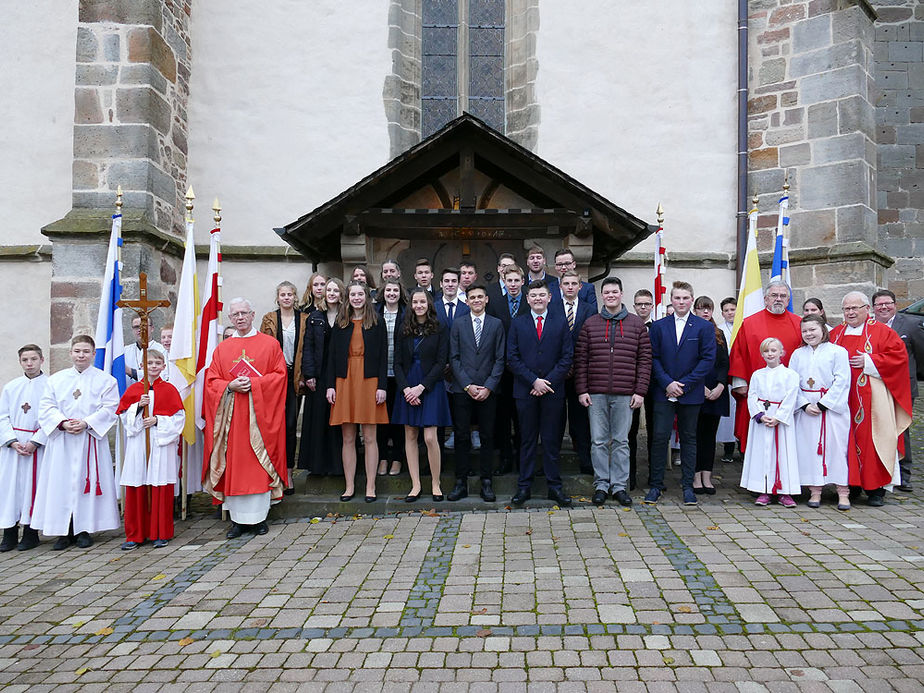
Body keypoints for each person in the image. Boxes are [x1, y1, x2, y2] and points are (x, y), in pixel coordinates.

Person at [203, 298, 288, 538]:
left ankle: (260, 519)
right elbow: (211, 382)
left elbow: (280, 377)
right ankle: (238, 521)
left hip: (259, 418)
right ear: (230, 319)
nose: (240, 317)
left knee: (258, 465)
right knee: (235, 466)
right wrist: (229, 385)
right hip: (232, 418)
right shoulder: (222, 349)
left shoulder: (270, 345)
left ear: (252, 315)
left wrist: (254, 383)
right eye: (235, 314)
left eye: (244, 313)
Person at [33, 335, 120, 550]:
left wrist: (87, 423)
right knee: (60, 484)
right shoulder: (56, 380)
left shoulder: (106, 380)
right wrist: (62, 423)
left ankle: (84, 530)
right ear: (70, 353)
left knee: (84, 484)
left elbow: (110, 408)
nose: (81, 355)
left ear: (93, 354)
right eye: (77, 351)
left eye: (86, 351)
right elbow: (45, 407)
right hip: (62, 441)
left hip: (88, 440)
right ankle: (63, 532)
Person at [829, 291, 912, 506]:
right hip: (843, 399)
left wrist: (869, 361)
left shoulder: (882, 332)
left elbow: (899, 358)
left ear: (867, 309)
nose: (851, 312)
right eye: (847, 308)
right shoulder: (835, 334)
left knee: (873, 441)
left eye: (855, 308)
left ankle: (876, 490)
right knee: (844, 441)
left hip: (873, 400)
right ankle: (851, 485)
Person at [574, 277, 651, 506]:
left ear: (621, 294)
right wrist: (582, 390)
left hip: (625, 394)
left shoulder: (637, 325)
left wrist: (640, 391)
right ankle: (601, 485)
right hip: (595, 393)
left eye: (614, 292)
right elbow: (581, 360)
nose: (610, 295)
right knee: (598, 441)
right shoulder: (591, 324)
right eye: (606, 292)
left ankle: (619, 486)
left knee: (621, 441)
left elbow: (645, 361)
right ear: (602, 295)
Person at [645, 281, 717, 506]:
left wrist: (684, 384)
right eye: (677, 298)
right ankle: (656, 485)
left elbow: (707, 360)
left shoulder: (703, 328)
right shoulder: (658, 326)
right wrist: (667, 383)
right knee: (659, 438)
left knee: (689, 439)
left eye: (686, 298)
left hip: (691, 392)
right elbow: (653, 357)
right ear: (672, 300)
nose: (681, 302)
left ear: (692, 299)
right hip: (663, 391)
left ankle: (688, 486)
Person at [507, 279, 573, 507]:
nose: (537, 299)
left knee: (551, 440)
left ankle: (554, 487)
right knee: (526, 440)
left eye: (541, 295)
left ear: (549, 297)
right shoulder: (518, 323)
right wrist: (534, 381)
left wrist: (547, 382)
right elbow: (512, 358)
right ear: (527, 299)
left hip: (553, 391)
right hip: (525, 392)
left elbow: (566, 358)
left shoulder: (560, 323)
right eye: (533, 296)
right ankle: (523, 487)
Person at [326, 281, 388, 503]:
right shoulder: (341, 323)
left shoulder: (377, 322)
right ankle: (349, 486)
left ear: (366, 296)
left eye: (360, 294)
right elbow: (332, 356)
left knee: (370, 436)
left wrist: (382, 386)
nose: (356, 298)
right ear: (347, 297)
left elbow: (383, 357)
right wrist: (330, 385)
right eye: (352, 294)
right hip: (344, 380)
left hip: (369, 379)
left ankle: (370, 485)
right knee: (348, 436)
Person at [116, 348, 184, 550]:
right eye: (149, 363)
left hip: (160, 444)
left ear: (164, 366)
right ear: (142, 366)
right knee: (137, 485)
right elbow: (122, 416)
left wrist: (158, 420)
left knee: (159, 486)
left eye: (157, 363)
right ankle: (135, 534)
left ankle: (160, 532)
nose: (153, 367)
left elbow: (179, 418)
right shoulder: (134, 390)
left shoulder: (170, 390)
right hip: (139, 444)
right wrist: (137, 407)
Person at [392, 288, 451, 502]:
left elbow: (441, 362)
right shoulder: (404, 328)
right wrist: (406, 388)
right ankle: (415, 485)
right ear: (411, 305)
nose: (419, 305)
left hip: (430, 385)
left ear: (428, 304)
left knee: (429, 437)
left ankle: (435, 483)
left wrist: (421, 387)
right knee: (410, 435)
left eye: (422, 302)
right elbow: (397, 363)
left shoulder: (439, 327)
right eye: (415, 302)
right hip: (407, 385)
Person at [728, 282, 802, 453]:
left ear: (788, 299)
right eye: (774, 295)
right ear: (765, 299)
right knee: (757, 442)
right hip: (757, 393)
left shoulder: (798, 324)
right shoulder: (749, 323)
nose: (778, 299)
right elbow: (739, 353)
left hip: (789, 393)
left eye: (783, 296)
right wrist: (740, 383)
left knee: (786, 444)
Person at [448, 284, 505, 502]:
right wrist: (467, 385)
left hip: (488, 390)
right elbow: (454, 358)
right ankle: (460, 481)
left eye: (480, 296)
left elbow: (500, 358)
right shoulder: (458, 324)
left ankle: (486, 481)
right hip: (463, 389)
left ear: (487, 299)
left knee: (487, 436)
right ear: (467, 301)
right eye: (472, 297)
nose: (477, 300)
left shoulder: (496, 324)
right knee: (462, 435)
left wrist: (489, 386)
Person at [789, 315, 851, 510]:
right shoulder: (797, 354)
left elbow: (842, 380)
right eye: (805, 331)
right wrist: (805, 404)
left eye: (812, 330)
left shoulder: (838, 352)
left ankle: (843, 492)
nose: (809, 334)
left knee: (836, 448)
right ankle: (815, 490)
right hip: (807, 408)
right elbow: (792, 383)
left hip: (831, 409)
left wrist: (824, 404)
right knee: (809, 449)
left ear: (823, 329)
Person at [872, 288, 924, 492]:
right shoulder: (870, 327)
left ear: (895, 305)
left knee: (902, 429)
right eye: (879, 304)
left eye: (888, 303)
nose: (884, 307)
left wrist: (911, 376)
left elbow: (921, 354)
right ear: (874, 308)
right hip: (878, 387)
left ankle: (905, 474)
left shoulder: (910, 325)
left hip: (903, 387)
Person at [739, 337, 801, 506]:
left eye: (774, 350)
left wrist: (778, 417)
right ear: (762, 354)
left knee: (783, 454)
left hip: (780, 420)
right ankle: (763, 489)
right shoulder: (757, 375)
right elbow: (751, 395)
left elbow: (791, 397)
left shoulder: (791, 375)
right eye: (766, 351)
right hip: (762, 419)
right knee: (762, 453)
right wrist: (759, 414)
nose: (770, 354)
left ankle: (784, 491)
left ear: (781, 353)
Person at [260, 281, 308, 491]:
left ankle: (288, 473)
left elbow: (306, 350)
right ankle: (271, 472)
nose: (286, 298)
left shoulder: (303, 319)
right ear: (277, 297)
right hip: (274, 377)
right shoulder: (269, 319)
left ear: (295, 297)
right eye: (283, 295)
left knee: (290, 426)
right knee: (273, 425)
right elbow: (262, 349)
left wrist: (304, 375)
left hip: (294, 376)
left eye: (290, 294)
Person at [0, 344, 48, 551]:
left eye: (33, 359)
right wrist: (11, 440)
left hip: (36, 446)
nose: (29, 364)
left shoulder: (50, 385)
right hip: (14, 447)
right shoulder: (11, 387)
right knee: (10, 490)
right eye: (25, 360)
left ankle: (30, 532)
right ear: (20, 362)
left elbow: (51, 417)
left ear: (42, 360)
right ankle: (9, 533)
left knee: (32, 488)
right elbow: (3, 416)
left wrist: (35, 441)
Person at [486, 263, 530, 474]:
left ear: (523, 282)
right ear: (503, 281)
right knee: (502, 418)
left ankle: (523, 460)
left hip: (525, 371)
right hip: (501, 371)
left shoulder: (530, 303)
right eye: (509, 280)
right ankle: (505, 458)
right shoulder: (495, 303)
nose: (512, 284)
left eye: (516, 280)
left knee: (522, 419)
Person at [299, 277, 344, 475]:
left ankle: (337, 466)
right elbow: (307, 347)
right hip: (319, 373)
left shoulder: (347, 317)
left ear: (342, 294)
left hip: (341, 374)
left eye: (336, 290)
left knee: (338, 420)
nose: (332, 293)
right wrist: (309, 374)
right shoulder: (315, 317)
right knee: (318, 418)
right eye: (329, 290)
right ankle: (317, 466)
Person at [555, 270, 596, 474]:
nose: (570, 287)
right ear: (560, 287)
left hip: (581, 370)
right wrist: (563, 365)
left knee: (581, 419)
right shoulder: (552, 308)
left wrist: (576, 364)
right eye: (566, 283)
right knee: (556, 418)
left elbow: (590, 340)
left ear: (580, 287)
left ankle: (585, 460)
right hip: (557, 372)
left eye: (574, 283)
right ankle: (552, 461)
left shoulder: (589, 310)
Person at [691, 297, 729, 495]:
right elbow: (688, 363)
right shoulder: (691, 331)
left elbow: (724, 363)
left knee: (710, 436)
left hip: (716, 392)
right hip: (696, 391)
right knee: (695, 435)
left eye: (709, 308)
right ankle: (696, 476)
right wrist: (701, 387)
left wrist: (721, 385)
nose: (705, 312)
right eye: (701, 308)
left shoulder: (719, 333)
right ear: (695, 310)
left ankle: (707, 475)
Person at [375, 278, 407, 477]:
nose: (392, 293)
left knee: (397, 420)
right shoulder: (376, 312)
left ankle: (397, 458)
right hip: (380, 373)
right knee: (380, 420)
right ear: (383, 293)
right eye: (389, 290)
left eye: (395, 290)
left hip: (400, 374)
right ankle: (382, 458)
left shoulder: (407, 313)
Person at [627, 288, 656, 489]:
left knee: (656, 432)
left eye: (646, 303)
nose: (643, 307)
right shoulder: (628, 325)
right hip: (632, 384)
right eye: (639, 304)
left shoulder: (660, 327)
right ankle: (630, 476)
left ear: (652, 306)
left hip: (655, 383)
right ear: (634, 306)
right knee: (630, 432)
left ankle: (654, 477)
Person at [716, 297, 738, 463]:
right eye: (727, 310)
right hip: (726, 375)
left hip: (741, 375)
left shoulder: (744, 326)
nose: (730, 313)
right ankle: (728, 448)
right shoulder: (719, 330)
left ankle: (742, 446)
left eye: (733, 309)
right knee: (728, 416)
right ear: (722, 313)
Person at [125, 315, 166, 385]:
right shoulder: (125, 351)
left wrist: (132, 372)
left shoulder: (162, 350)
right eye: (136, 327)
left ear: (152, 328)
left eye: (144, 326)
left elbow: (163, 376)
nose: (140, 329)